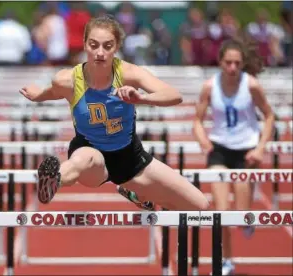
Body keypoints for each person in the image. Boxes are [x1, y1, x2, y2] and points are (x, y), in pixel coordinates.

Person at [19, 15, 209, 212]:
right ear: (85, 45)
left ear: (116, 47)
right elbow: (52, 92)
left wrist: (141, 99)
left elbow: (174, 95)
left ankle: (137, 194)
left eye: (107, 46)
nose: (100, 53)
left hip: (130, 159)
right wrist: (37, 95)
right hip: (92, 154)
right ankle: (53, 180)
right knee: (84, 159)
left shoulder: (128, 73)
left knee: (200, 206)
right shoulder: (67, 80)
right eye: (94, 45)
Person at [193, 38, 274, 275]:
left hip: (245, 152)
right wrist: (204, 142)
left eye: (237, 63)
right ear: (220, 62)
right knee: (221, 212)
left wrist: (260, 148)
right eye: (228, 62)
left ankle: (246, 218)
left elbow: (269, 116)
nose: (232, 68)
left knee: (240, 216)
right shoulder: (210, 86)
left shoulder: (252, 86)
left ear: (242, 64)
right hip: (219, 150)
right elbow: (197, 119)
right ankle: (225, 260)